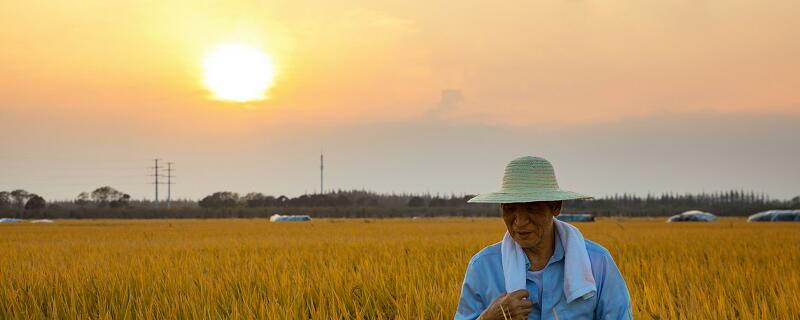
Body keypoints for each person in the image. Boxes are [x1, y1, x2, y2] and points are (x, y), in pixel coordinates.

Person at [455, 156, 632, 320]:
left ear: (556, 207)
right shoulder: (483, 267)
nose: (520, 222)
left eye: (532, 209)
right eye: (509, 209)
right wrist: (488, 318)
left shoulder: (597, 263)